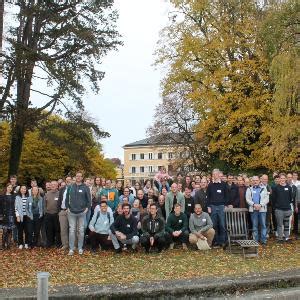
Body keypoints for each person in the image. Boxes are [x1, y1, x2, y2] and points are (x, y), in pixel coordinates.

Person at [66, 171, 91, 255]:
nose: (78, 177)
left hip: (82, 212)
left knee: (81, 231)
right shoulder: (70, 187)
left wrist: (87, 208)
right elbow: (66, 198)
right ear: (75, 177)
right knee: (72, 230)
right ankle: (71, 249)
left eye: (80, 176)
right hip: (71, 212)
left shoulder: (85, 187)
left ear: (82, 178)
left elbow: (89, 199)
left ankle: (80, 248)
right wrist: (67, 208)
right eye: (77, 176)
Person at [207, 169, 228, 247]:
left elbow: (226, 196)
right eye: (213, 174)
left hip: (221, 206)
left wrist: (225, 205)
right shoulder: (210, 185)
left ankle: (223, 241)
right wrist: (208, 206)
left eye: (216, 174)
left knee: (222, 224)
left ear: (219, 174)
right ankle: (215, 241)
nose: (214, 175)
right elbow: (208, 197)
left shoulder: (223, 184)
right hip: (213, 207)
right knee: (214, 225)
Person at [245, 176, 269, 245]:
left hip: (262, 210)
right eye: (254, 180)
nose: (255, 181)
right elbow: (247, 199)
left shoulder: (264, 188)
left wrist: (260, 205)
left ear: (259, 181)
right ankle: (255, 240)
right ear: (252, 181)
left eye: (256, 180)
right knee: (255, 226)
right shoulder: (249, 189)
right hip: (253, 209)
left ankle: (263, 240)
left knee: (263, 225)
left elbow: (267, 199)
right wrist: (254, 205)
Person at [272, 174, 293, 243]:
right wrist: (276, 207)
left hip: (287, 209)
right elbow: (273, 199)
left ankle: (287, 237)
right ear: (279, 179)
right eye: (281, 178)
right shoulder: (276, 188)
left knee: (286, 225)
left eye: (284, 178)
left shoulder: (289, 188)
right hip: (279, 210)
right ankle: (280, 238)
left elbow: (290, 198)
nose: (282, 179)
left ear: (286, 179)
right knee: (280, 224)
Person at [44, 181, 60, 248]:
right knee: (49, 229)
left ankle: (57, 243)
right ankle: (49, 243)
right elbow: (44, 204)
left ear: (57, 186)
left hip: (56, 214)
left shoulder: (59, 194)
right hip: (48, 214)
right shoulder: (47, 194)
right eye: (52, 185)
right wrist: (45, 212)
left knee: (57, 229)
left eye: (54, 185)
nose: (53, 186)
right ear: (50, 186)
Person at [58, 176, 72, 250]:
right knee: (63, 229)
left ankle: (72, 245)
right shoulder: (62, 189)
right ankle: (65, 244)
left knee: (72, 229)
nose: (68, 181)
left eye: (69, 180)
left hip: (71, 211)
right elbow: (59, 200)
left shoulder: (74, 188)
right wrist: (59, 210)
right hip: (62, 211)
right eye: (67, 180)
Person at [0, 184, 16, 249]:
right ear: (6, 188)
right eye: (8, 187)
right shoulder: (2, 196)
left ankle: (8, 245)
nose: (10, 188)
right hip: (4, 215)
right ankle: (3, 245)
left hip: (11, 215)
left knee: (10, 231)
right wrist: (0, 215)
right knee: (5, 230)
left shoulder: (13, 196)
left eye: (11, 187)